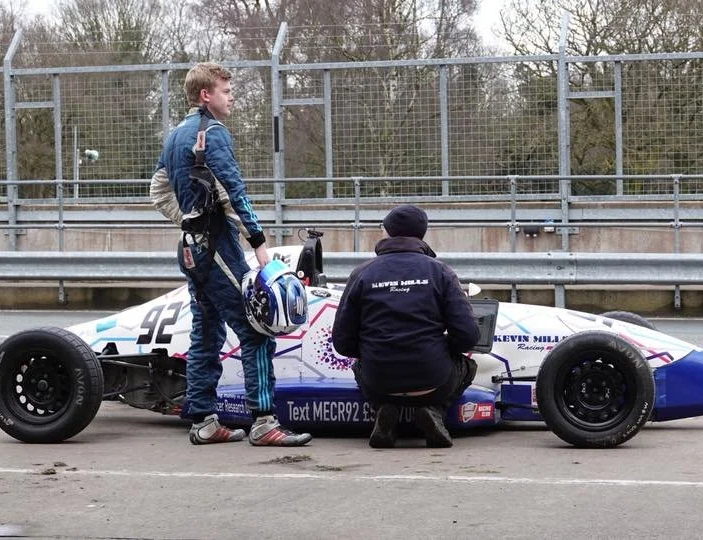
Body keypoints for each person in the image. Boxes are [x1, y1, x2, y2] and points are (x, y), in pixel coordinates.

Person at [152, 62, 311, 447]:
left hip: (190, 249)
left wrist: (188, 219)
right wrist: (260, 248)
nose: (232, 95)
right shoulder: (214, 132)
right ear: (206, 95)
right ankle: (263, 422)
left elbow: (157, 190)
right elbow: (234, 193)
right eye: (226, 89)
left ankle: (204, 421)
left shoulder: (175, 135)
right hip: (217, 247)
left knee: (206, 332)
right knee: (257, 329)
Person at [332, 204, 480, 448]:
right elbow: (468, 335)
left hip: (378, 380)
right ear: (422, 235)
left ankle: (384, 410)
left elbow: (342, 341)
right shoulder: (441, 272)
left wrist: (373, 350)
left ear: (387, 232)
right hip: (433, 379)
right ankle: (434, 411)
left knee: (360, 366)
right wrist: (444, 348)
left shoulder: (362, 273)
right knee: (468, 366)